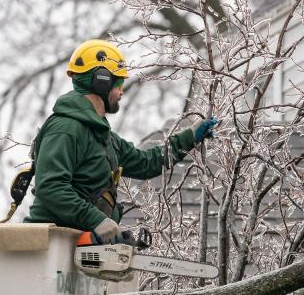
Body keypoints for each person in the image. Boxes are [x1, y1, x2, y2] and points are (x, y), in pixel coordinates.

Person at [25, 39, 217, 242]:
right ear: (102, 81)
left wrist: (190, 137)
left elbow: (146, 163)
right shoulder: (66, 129)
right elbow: (51, 187)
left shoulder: (103, 137)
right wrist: (97, 221)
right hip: (49, 244)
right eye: (118, 83)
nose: (122, 91)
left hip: (75, 241)